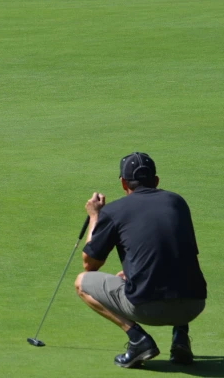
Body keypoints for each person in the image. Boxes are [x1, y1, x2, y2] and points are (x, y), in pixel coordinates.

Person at [74, 152, 207, 369]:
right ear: (156, 181)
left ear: (123, 182)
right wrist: (133, 271)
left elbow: (90, 264)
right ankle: (181, 337)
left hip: (147, 308)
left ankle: (138, 340)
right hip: (194, 304)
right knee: (180, 266)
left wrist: (94, 217)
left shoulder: (113, 211)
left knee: (82, 282)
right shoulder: (177, 202)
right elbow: (175, 251)